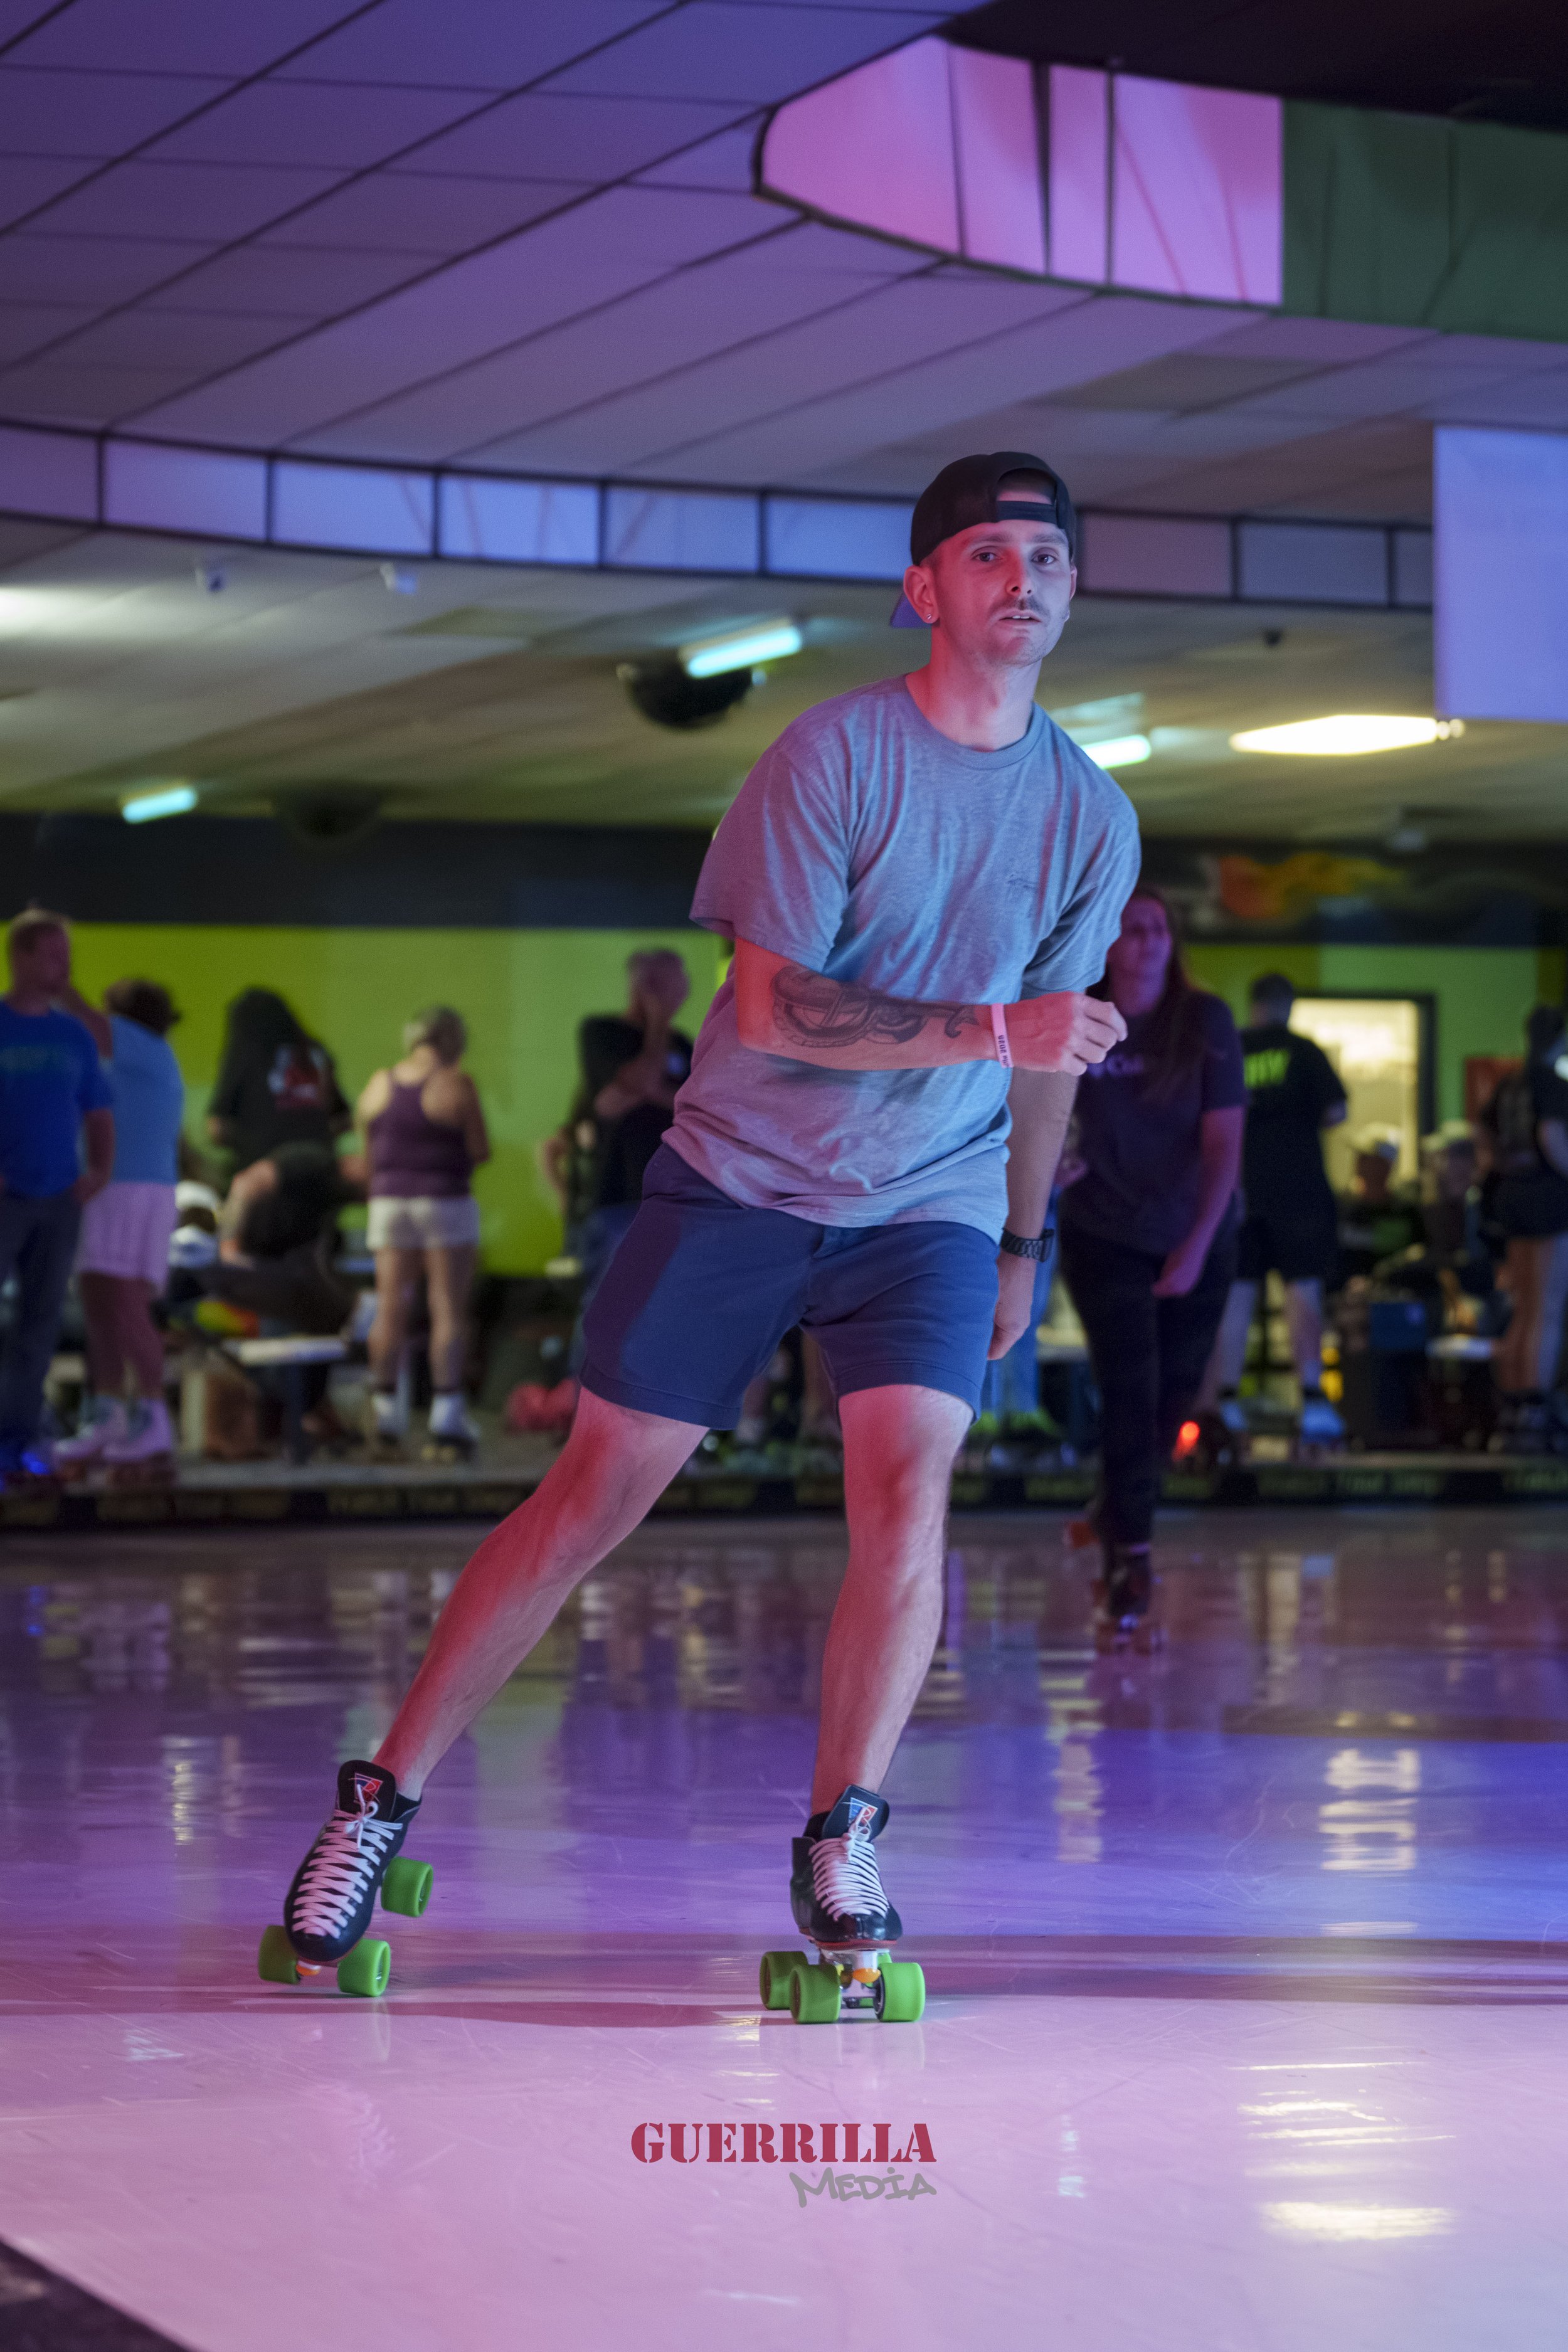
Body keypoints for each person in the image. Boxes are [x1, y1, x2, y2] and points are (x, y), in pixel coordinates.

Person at [271, 448, 1139, 1983]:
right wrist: (993, 1033)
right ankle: (380, 1796)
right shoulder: (832, 759)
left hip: (927, 1203)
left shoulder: (1090, 817)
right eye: (991, 557)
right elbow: (779, 1004)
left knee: (910, 1484)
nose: (1026, 582)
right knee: (596, 1491)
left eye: (1049, 560)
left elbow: (1051, 1055)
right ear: (924, 588)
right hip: (742, 1173)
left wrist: (1021, 1238)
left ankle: (842, 1830)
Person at [1057, 888, 1245, 1634]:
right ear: (1105, 943)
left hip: (1195, 1231)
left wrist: (1197, 1244)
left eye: (1159, 929)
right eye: (1132, 930)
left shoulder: (1203, 1021)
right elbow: (1032, 1109)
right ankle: (1129, 1560)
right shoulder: (1076, 1012)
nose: (1148, 942)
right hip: (1103, 1234)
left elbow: (1224, 1143)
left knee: (1172, 1405)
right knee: (1130, 1395)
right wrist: (1054, 1161)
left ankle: (1112, 1510)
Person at [1205, 972, 1347, 1446]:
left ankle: (1225, 1400)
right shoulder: (1304, 1051)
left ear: (1254, 1003)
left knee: (1238, 1295)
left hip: (1240, 1192)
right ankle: (1312, 1400)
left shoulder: (1232, 1049)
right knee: (1302, 1291)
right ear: (1289, 1004)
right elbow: (1336, 1112)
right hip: (1299, 1193)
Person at [0, 910, 115, 1484]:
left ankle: (19, 1440)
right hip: (6, 1197)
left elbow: (98, 1105)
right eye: (53, 956)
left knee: (39, 1324)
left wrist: (100, 1168)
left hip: (58, 1198)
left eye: (67, 957)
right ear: (20, 957)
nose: (64, 967)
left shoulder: (72, 1035)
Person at [54, 979, 186, 1476]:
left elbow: (85, 1019)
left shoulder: (138, 1044)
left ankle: (153, 1420)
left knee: (127, 1304)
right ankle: (108, 1417)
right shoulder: (145, 1057)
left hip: (130, 1190)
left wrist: (56, 979)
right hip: (119, 1189)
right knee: (99, 1303)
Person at [359, 1008, 490, 1454]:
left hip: (388, 1202)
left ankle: (384, 1413)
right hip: (444, 1200)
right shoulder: (455, 1083)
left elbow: (369, 1153)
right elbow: (480, 1149)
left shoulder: (379, 1083)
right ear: (453, 1039)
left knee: (390, 1305)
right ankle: (447, 1414)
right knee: (447, 1307)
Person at [568, 951, 694, 1360]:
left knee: (667, 1311)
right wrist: (656, 1024)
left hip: (674, 1198)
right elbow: (625, 1088)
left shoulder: (684, 1045)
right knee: (612, 1308)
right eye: (668, 984)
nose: (680, 993)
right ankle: (589, 1411)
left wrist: (643, 1091)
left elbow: (695, 1108)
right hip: (620, 1197)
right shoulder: (603, 1033)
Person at [1480, 1004, 1568, 1447]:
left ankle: (1515, 1404)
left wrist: (1505, 1167)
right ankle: (1534, 1405)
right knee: (1546, 1306)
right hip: (1548, 1200)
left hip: (1513, 1198)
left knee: (1523, 1304)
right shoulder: (1551, 1084)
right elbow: (1552, 1136)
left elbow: (1486, 1136)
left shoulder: (1510, 1082)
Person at [206, 988, 349, 1172]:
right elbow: (344, 1121)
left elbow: (217, 1128)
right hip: (320, 1168)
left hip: (264, 1169)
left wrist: (250, 1140)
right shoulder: (316, 1052)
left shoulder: (247, 1052)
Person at [1335, 1126, 1424, 1281]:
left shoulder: (1407, 1211)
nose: (1362, 1163)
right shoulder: (1340, 1209)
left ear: (1389, 1165)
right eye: (1361, 1157)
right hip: (1346, 1299)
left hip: (1394, 1297)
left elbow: (1419, 1254)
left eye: (1372, 1159)